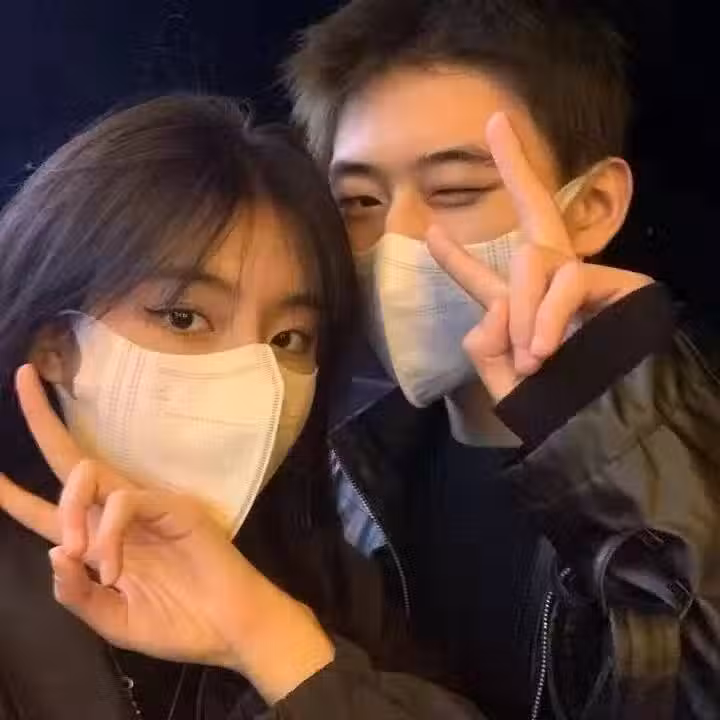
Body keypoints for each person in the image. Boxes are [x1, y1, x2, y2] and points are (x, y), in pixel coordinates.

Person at [283, 0, 720, 718]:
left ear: (592, 206)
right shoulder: (343, 467)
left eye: (455, 191)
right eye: (358, 202)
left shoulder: (694, 448)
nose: (398, 239)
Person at [0, 94, 484, 720]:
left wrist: (267, 640)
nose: (255, 382)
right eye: (184, 317)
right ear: (55, 347)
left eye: (288, 339)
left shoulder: (323, 574)